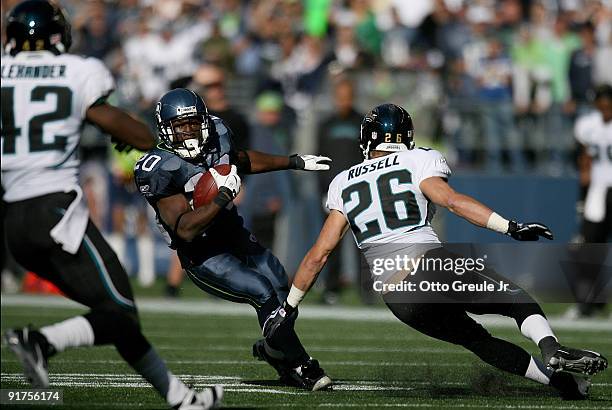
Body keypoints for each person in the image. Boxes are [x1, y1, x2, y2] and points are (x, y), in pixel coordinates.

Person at [264, 103, 608, 400]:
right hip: (428, 264)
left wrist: (288, 308)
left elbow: (319, 254)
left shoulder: (343, 181)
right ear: (406, 136)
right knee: (516, 300)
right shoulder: (418, 159)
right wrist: (509, 226)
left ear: (367, 140)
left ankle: (563, 384)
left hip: (398, 298)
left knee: (477, 340)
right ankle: (552, 349)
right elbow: (452, 202)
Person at [0, 2, 222, 409]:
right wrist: (132, 133)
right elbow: (135, 136)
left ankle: (180, 399)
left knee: (114, 311)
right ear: (56, 36)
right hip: (55, 212)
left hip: (12, 221)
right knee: (119, 310)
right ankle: (40, 342)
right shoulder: (77, 70)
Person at [133, 88, 333, 391]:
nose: (188, 132)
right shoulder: (159, 167)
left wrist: (293, 161)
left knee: (280, 285)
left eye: (192, 123)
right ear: (165, 129)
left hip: (232, 231)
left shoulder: (217, 132)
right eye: (180, 126)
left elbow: (241, 160)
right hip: (201, 251)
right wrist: (223, 196)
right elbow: (184, 228)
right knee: (261, 290)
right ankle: (302, 366)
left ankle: (272, 351)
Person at [568, 84, 612, 318]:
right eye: (601, 106)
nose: (605, 111)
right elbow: (584, 155)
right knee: (589, 248)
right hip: (597, 191)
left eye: (608, 106)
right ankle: (588, 301)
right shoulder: (588, 125)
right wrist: (584, 174)